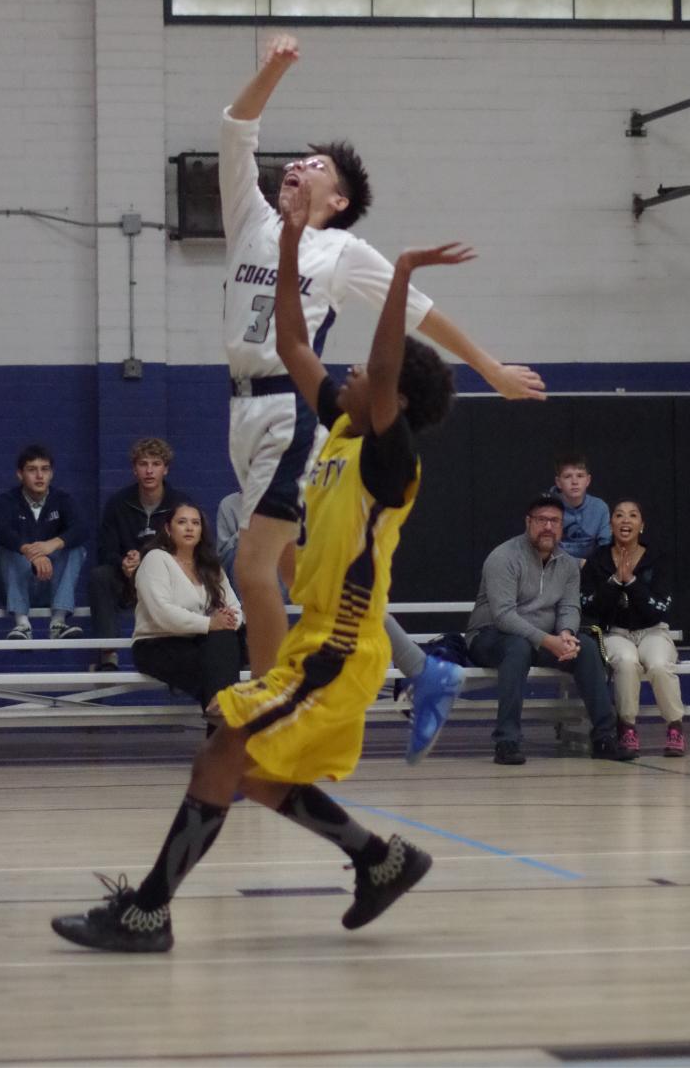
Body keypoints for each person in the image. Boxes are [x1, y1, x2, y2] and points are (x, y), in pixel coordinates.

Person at [50, 181, 469, 953]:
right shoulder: (341, 427)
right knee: (249, 771)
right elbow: (292, 343)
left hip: (341, 651)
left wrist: (402, 274)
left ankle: (148, 912)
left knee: (222, 751)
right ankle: (379, 859)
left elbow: (384, 366)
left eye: (365, 372)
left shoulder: (392, 459)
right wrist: (289, 243)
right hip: (317, 644)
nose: (347, 372)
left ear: (393, 399)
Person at [220, 32, 545, 766]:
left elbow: (421, 315)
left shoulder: (344, 252)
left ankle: (265, 715)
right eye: (299, 159)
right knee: (305, 576)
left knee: (252, 568)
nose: (300, 165)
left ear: (338, 200)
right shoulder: (254, 221)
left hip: (291, 411)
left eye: (318, 166)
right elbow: (237, 127)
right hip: (239, 407)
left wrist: (490, 367)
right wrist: (270, 70)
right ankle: (423, 669)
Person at [465, 495, 633, 766]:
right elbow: (504, 616)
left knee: (586, 648)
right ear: (528, 522)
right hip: (490, 636)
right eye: (541, 520)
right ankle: (507, 741)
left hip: (542, 640)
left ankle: (605, 738)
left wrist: (566, 633)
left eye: (555, 521)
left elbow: (569, 607)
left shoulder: (568, 564)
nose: (548, 527)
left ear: (562, 527)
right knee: (517, 647)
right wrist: (548, 641)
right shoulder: (503, 557)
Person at [581, 499, 685, 757]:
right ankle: (626, 727)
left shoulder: (657, 558)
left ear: (641, 525)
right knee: (627, 663)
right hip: (614, 632)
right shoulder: (597, 560)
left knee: (658, 665)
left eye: (632, 515)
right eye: (619, 515)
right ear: (611, 525)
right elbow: (590, 606)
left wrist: (632, 582)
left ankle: (675, 726)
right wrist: (616, 581)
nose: (625, 520)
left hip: (653, 630)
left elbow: (658, 608)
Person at [88, 437, 188, 672]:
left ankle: (181, 653)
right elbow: (105, 549)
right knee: (99, 576)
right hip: (127, 580)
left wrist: (149, 561)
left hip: (166, 580)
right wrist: (123, 563)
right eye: (143, 464)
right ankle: (108, 655)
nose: (149, 470)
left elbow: (188, 548)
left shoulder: (180, 504)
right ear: (135, 470)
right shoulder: (117, 503)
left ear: (166, 469)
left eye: (156, 464)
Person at [132, 504, 243, 712]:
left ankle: (221, 712)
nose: (189, 528)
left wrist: (228, 620)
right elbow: (162, 613)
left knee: (230, 638)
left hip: (202, 641)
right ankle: (225, 712)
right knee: (216, 665)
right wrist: (210, 623)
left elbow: (234, 607)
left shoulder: (210, 566)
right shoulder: (156, 559)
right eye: (182, 522)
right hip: (158, 644)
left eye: (195, 523)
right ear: (168, 529)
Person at [0, 445, 88, 640]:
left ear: (51, 474)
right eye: (32, 469)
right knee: (6, 551)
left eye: (45, 469)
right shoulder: (7, 500)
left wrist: (52, 544)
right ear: (20, 474)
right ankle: (22, 625)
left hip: (51, 584)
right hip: (16, 585)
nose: (39, 476)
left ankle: (58, 622)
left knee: (76, 549)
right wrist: (29, 550)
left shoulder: (62, 499)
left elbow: (81, 529)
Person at [550, 452, 611, 564]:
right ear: (558, 482)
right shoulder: (547, 507)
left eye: (580, 476)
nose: (574, 482)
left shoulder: (600, 507)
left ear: (588, 480)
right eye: (568, 476)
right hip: (555, 567)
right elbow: (542, 549)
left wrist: (592, 566)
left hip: (591, 568)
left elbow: (605, 546)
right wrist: (578, 563)